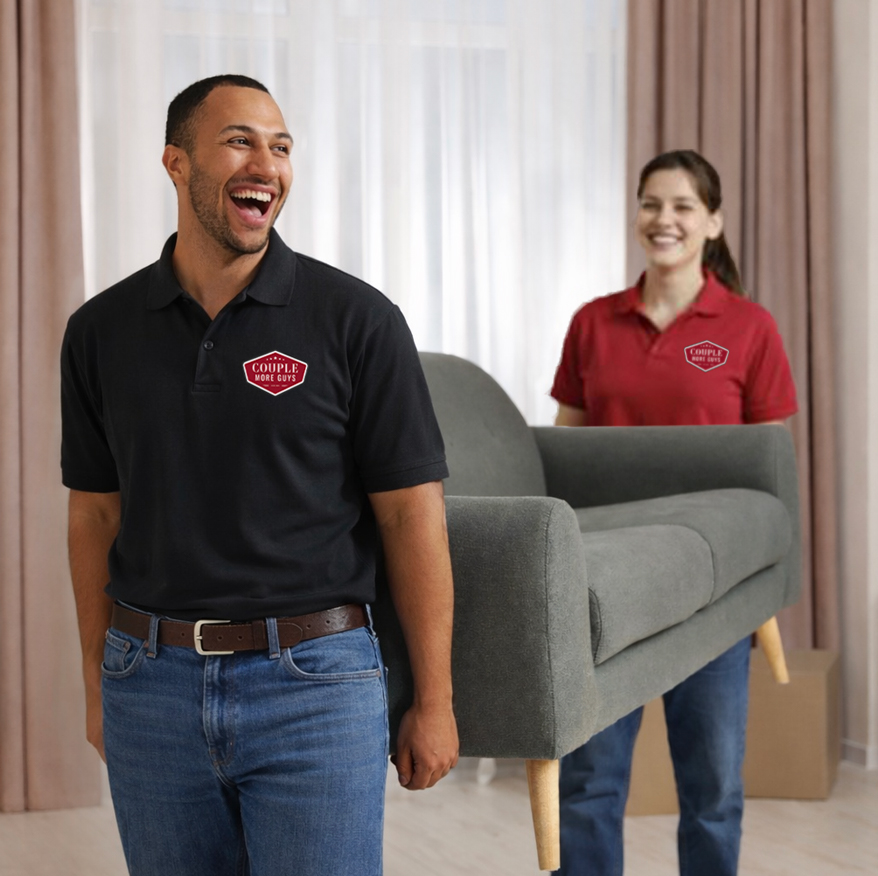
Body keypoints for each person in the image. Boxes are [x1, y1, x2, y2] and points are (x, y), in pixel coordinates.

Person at [61, 74, 458, 876]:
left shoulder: (358, 321)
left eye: (281, 147)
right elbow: (95, 517)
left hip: (317, 686)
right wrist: (97, 683)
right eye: (240, 140)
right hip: (149, 684)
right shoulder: (100, 331)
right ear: (176, 163)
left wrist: (435, 701)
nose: (267, 165)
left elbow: (412, 517)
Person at [550, 149, 798, 876]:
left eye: (684, 206)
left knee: (713, 789)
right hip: (604, 591)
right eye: (652, 204)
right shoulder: (592, 324)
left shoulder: (751, 329)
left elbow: (769, 473)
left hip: (712, 592)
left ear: (713, 222)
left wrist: (764, 583)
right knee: (589, 783)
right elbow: (564, 458)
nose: (665, 220)